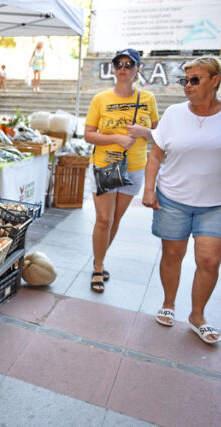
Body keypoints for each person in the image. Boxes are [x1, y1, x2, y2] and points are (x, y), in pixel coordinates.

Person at [130, 57, 221, 345]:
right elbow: (156, 154)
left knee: (209, 261)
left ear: (214, 81)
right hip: (173, 198)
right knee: (173, 255)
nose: (187, 86)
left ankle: (197, 316)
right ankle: (168, 302)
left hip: (216, 202)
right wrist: (149, 190)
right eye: (184, 81)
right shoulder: (175, 113)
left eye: (195, 80)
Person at [84, 48, 159, 293]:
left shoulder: (148, 99)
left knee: (116, 219)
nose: (123, 68)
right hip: (106, 165)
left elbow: (160, 135)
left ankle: (100, 259)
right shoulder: (101, 98)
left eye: (129, 64)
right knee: (104, 219)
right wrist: (116, 137)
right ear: (114, 69)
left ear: (138, 69)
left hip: (135, 167)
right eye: (119, 64)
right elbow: (89, 134)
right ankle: (97, 266)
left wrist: (143, 133)